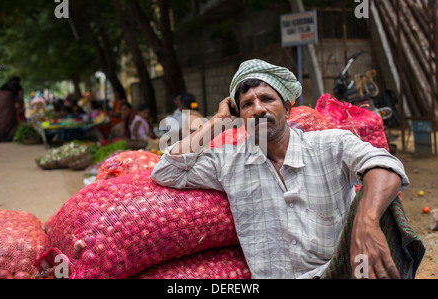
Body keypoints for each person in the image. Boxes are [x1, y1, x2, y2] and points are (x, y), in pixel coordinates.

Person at [151, 59, 418, 279]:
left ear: (288, 108)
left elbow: (386, 164)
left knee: (383, 202)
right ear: (240, 117)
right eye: (247, 105)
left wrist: (366, 220)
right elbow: (167, 171)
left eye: (267, 99)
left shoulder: (330, 144)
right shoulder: (228, 162)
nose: (258, 109)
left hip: (337, 273)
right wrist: (219, 119)